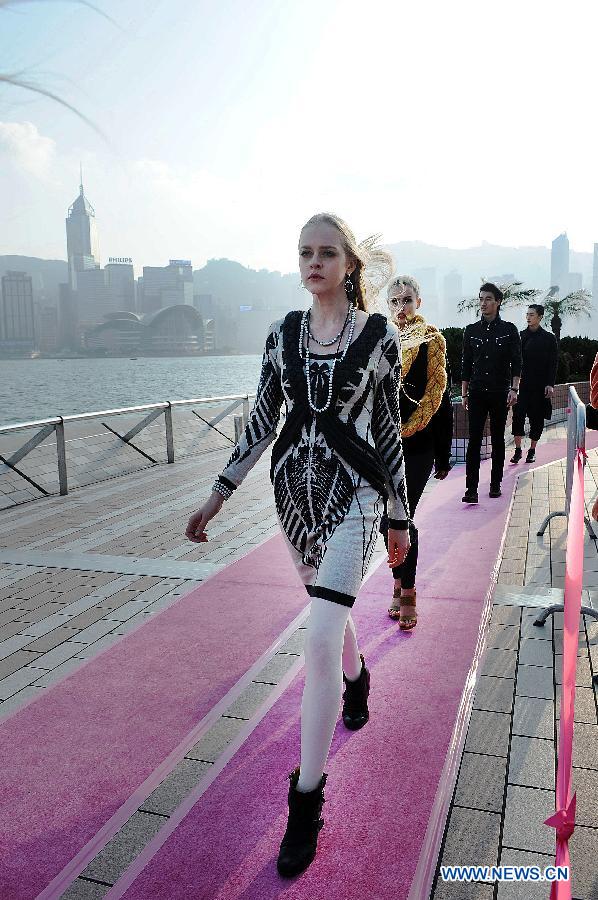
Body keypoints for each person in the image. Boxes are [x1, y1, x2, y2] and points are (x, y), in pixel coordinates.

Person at [185, 212, 409, 878]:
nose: (314, 262)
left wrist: (401, 517)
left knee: (314, 636)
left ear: (348, 264)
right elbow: (261, 420)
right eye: (305, 252)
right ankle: (357, 674)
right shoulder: (282, 334)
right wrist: (217, 494)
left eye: (327, 252)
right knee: (326, 616)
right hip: (295, 500)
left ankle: (306, 802)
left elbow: (391, 431)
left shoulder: (378, 335)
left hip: (358, 498)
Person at [380, 275, 452, 629]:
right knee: (385, 522)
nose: (401, 307)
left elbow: (440, 399)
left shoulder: (432, 341)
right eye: (394, 301)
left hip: (420, 444)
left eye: (407, 299)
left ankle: (407, 591)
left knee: (402, 518)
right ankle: (397, 582)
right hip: (383, 445)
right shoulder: (381, 340)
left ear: (419, 302)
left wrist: (444, 453)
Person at [461, 283, 522, 503]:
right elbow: (466, 364)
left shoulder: (509, 330)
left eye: (488, 299)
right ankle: (471, 490)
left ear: (498, 302)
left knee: (497, 439)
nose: (483, 303)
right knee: (474, 441)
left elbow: (517, 362)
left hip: (499, 392)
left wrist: (514, 389)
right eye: (481, 299)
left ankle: (495, 484)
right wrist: (464, 394)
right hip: (477, 392)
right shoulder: (471, 330)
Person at [510, 304, 558, 464]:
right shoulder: (520, 336)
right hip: (521, 387)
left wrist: (550, 383)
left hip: (539, 387)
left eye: (531, 314)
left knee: (537, 419)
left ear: (540, 317)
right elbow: (514, 361)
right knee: (517, 417)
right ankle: (518, 450)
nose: (528, 317)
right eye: (527, 314)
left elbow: (553, 363)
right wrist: (512, 385)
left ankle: (532, 450)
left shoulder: (549, 338)